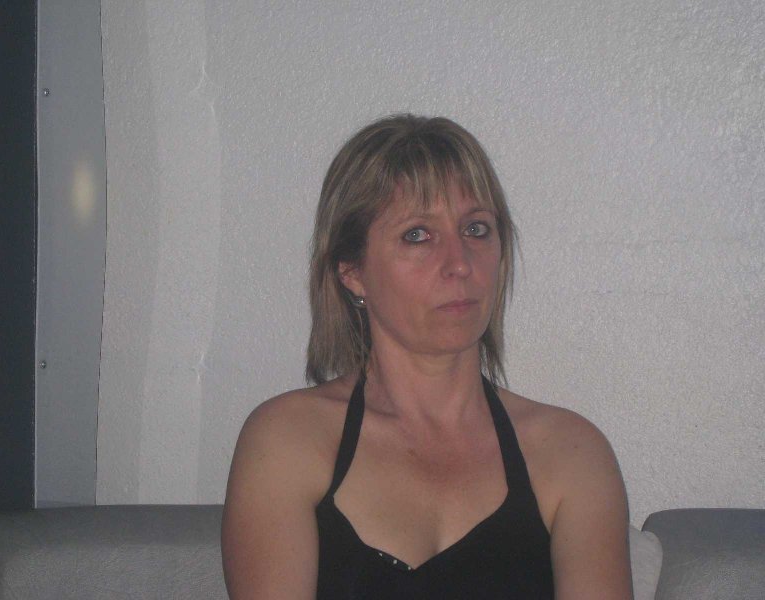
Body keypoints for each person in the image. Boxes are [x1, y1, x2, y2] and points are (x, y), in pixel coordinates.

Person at [221, 114, 632, 599]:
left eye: (476, 229)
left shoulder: (570, 453)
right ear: (352, 271)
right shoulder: (288, 440)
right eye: (418, 235)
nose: (460, 263)